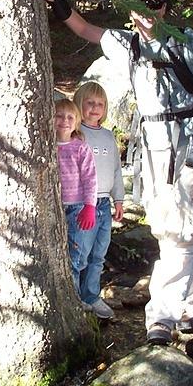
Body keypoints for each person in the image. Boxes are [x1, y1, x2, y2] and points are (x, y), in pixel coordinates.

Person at [32, 0, 193, 345]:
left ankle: (160, 317)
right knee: (168, 228)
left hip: (189, 145)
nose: (147, 11)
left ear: (164, 7)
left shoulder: (188, 42)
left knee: (181, 229)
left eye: (155, 3)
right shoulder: (124, 43)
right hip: (150, 149)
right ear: (130, 9)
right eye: (139, 4)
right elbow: (83, 29)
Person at [72, 81, 125, 319]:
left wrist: (119, 200)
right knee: (79, 253)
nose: (95, 108)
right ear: (79, 104)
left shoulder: (107, 136)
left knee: (98, 254)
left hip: (104, 203)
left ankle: (91, 295)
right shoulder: (76, 135)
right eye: (90, 103)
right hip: (83, 203)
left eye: (100, 104)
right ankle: (74, 297)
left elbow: (116, 170)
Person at [54, 98, 98, 302]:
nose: (64, 121)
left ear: (77, 122)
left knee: (75, 254)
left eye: (70, 117)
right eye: (59, 116)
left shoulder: (80, 148)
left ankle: (74, 299)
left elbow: (90, 178)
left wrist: (90, 206)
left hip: (76, 208)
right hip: (53, 206)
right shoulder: (47, 146)